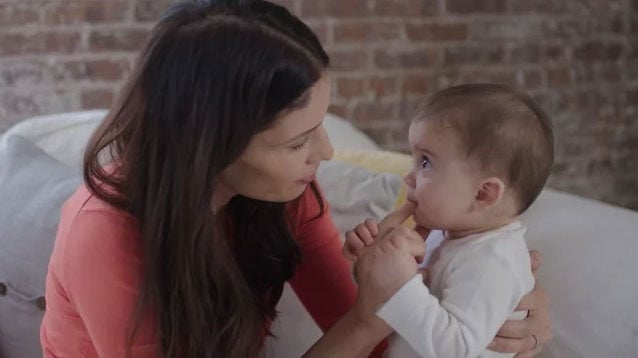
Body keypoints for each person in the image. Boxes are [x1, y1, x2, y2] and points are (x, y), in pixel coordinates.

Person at [39, 1, 551, 357]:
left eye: (321, 126)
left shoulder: (286, 194)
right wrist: (376, 311)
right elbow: (365, 327)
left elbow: (371, 345)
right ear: (210, 145)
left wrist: (490, 310)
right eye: (297, 141)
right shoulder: (105, 233)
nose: (325, 152)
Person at [344, 84, 554, 357]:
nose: (408, 177)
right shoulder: (449, 235)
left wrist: (398, 285)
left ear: (483, 193)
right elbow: (403, 311)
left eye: (426, 162)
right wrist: (371, 266)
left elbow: (457, 349)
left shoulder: (492, 260)